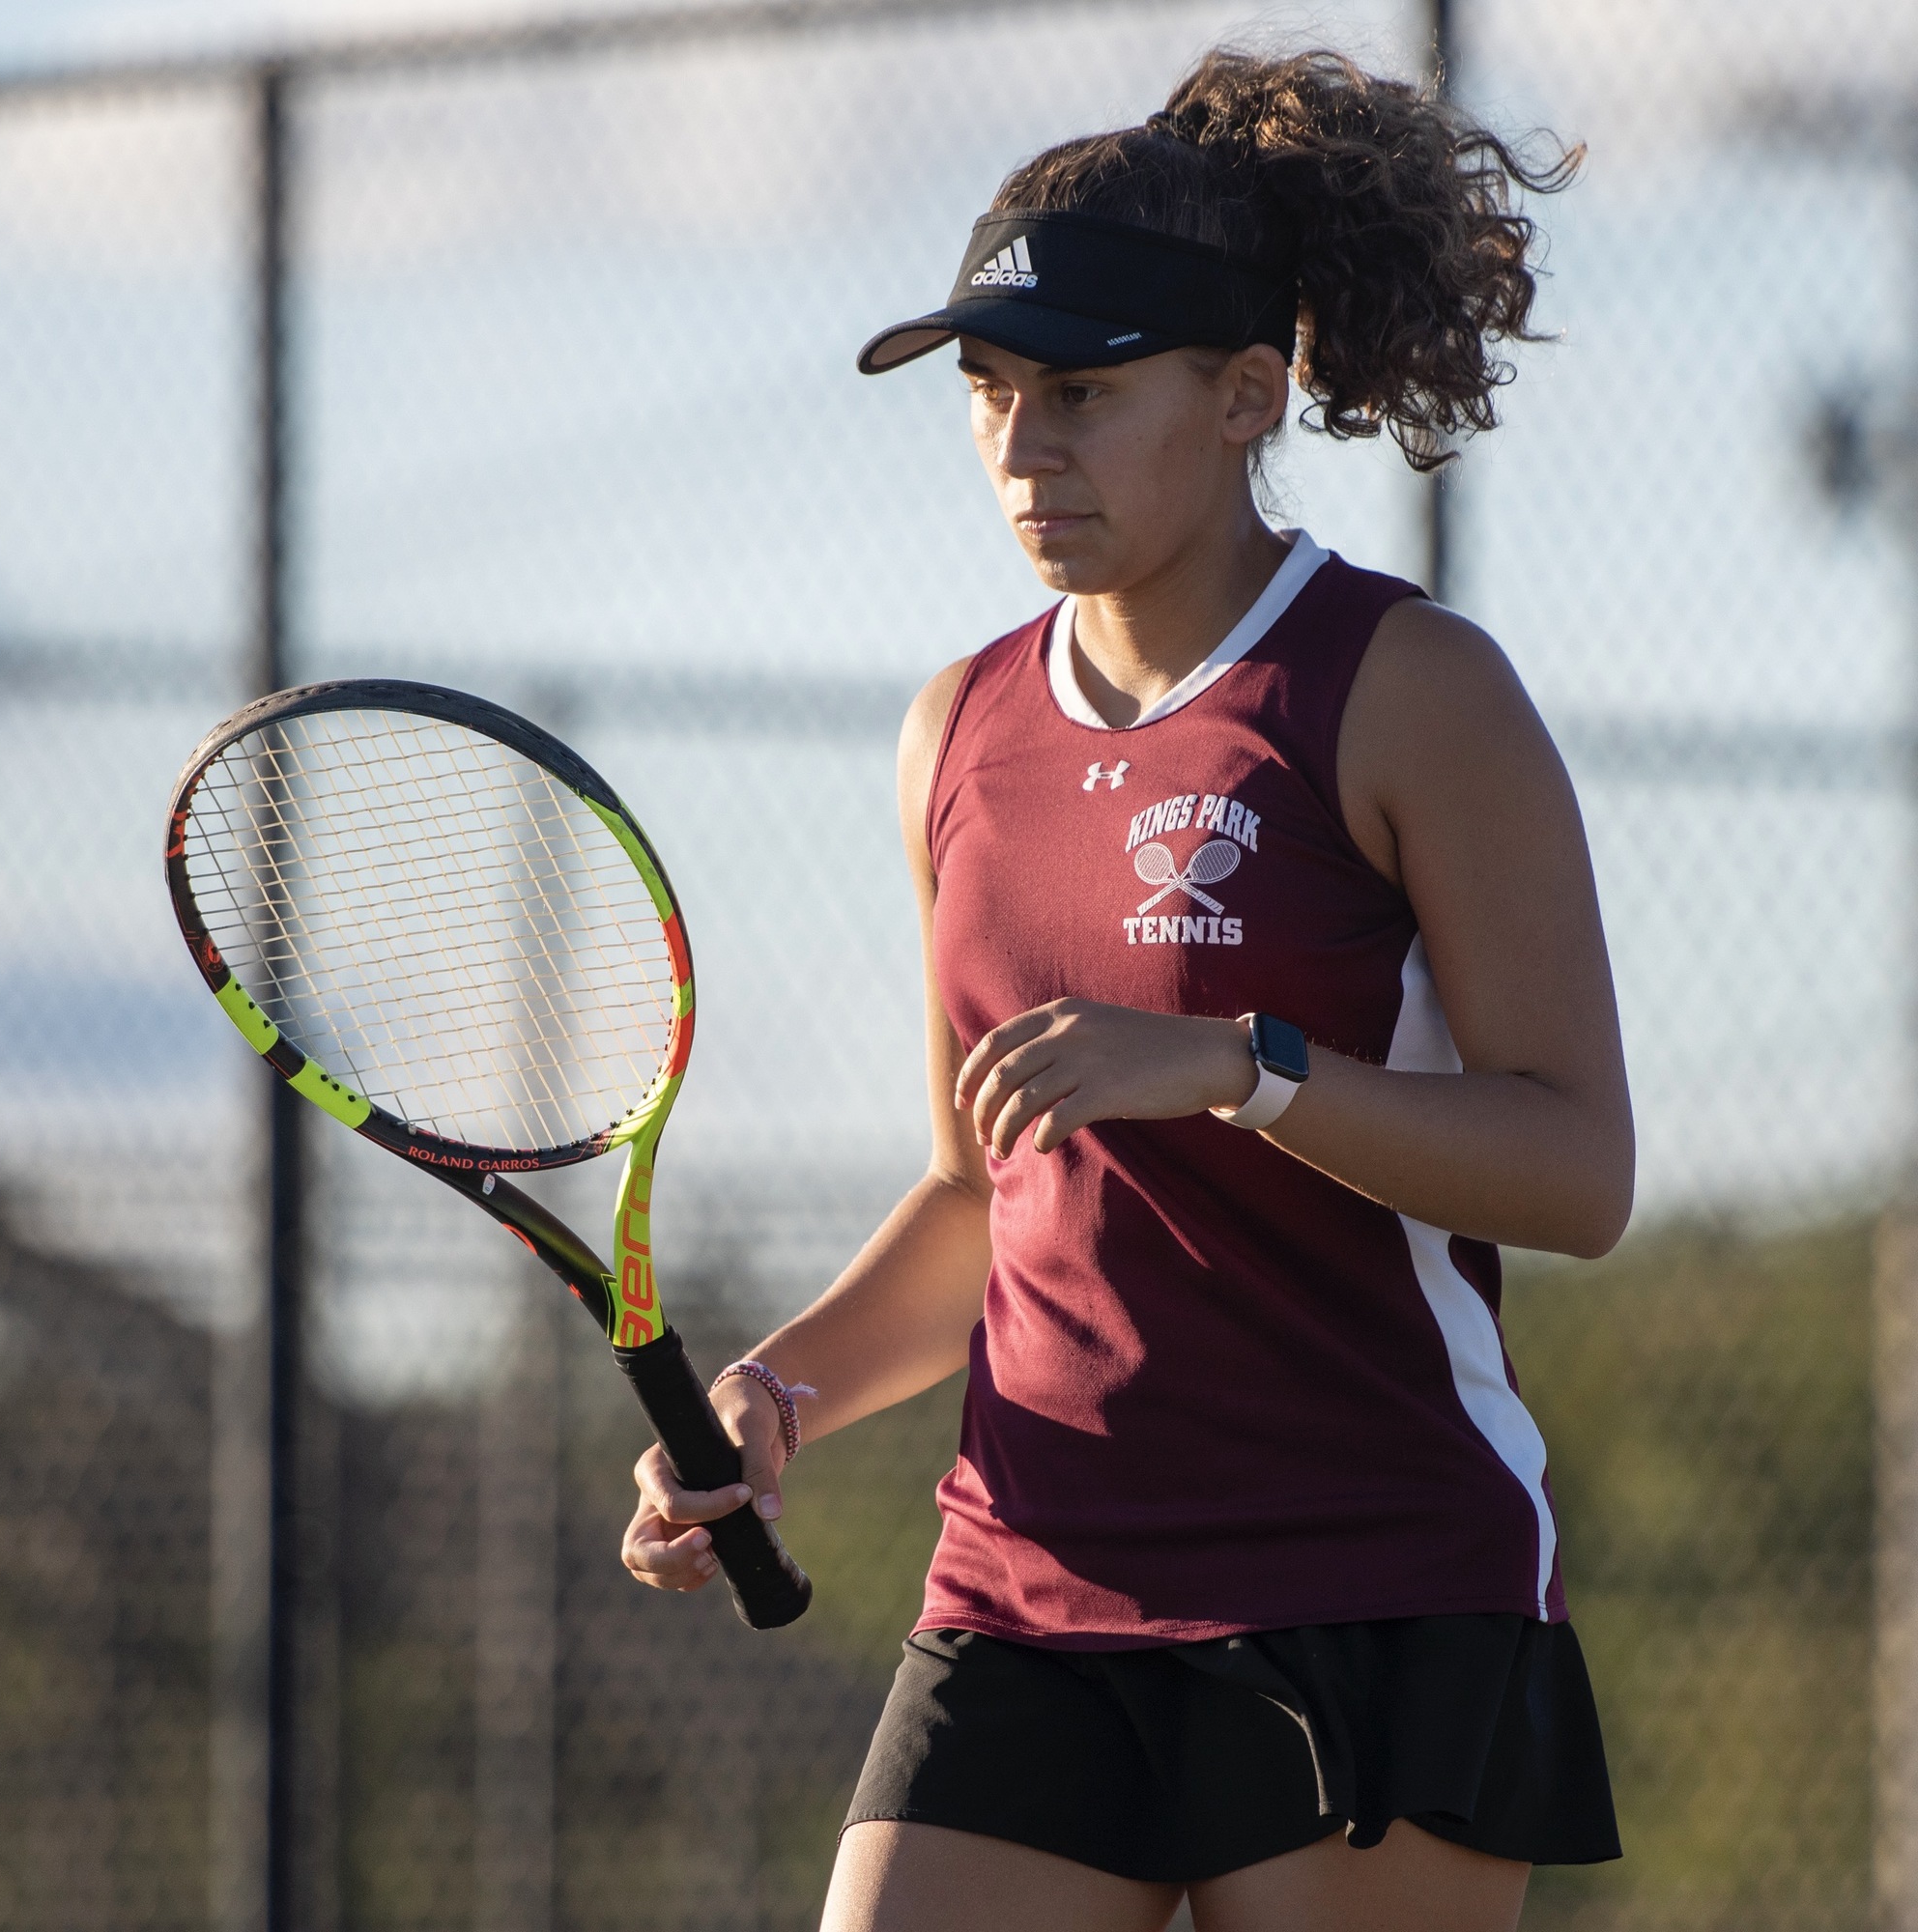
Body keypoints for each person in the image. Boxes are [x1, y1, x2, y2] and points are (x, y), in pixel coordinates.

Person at [622, 44, 1628, 1932]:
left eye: (1079, 390)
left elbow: (1578, 1171)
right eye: (992, 391)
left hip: (1375, 1586)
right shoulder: (956, 733)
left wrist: (1240, 1068)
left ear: (1245, 396)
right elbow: (977, 1194)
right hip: (1028, 1582)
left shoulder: (1407, 691)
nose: (1021, 445)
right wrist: (773, 1397)